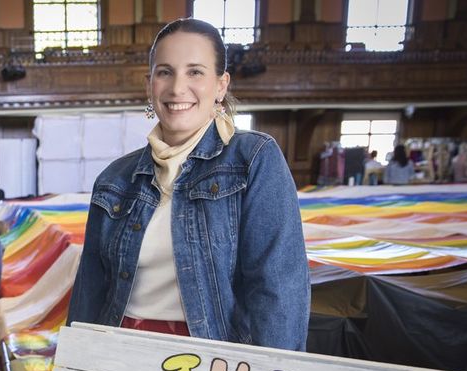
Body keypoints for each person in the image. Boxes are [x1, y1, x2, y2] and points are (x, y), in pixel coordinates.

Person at [69, 18, 309, 351]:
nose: (177, 88)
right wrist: (76, 366)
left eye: (195, 71)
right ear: (149, 84)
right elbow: (90, 290)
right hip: (118, 352)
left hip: (213, 359)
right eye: (164, 72)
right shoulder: (115, 179)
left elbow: (278, 289)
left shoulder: (254, 159)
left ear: (221, 85)